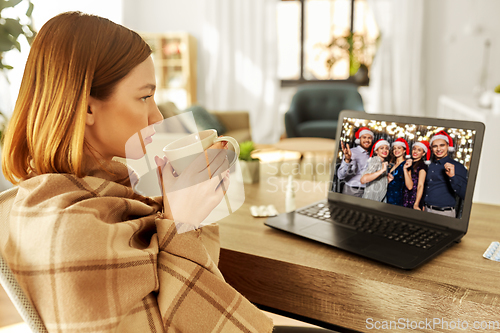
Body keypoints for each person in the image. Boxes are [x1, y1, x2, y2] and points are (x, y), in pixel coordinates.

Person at [0, 12, 273, 333]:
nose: (157, 116)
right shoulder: (72, 230)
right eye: (144, 96)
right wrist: (180, 222)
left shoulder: (89, 193)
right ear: (87, 107)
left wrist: (177, 211)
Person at [423, 130, 468, 217]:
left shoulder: (457, 166)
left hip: (444, 213)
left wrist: (453, 177)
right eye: (435, 146)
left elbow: (464, 194)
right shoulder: (430, 166)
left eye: (442, 145)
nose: (438, 149)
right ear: (431, 149)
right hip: (426, 210)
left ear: (448, 146)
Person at [337, 126, 374, 197]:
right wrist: (347, 160)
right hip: (352, 190)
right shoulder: (351, 152)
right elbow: (340, 176)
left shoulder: (371, 155)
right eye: (364, 137)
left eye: (369, 138)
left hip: (367, 191)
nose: (367, 140)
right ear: (359, 139)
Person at [402, 140, 429, 210]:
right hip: (405, 196)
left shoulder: (422, 166)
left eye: (419, 150)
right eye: (414, 149)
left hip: (414, 199)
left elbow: (421, 185)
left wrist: (416, 203)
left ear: (423, 153)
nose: (415, 151)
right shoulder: (409, 163)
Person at [386, 138, 410, 206]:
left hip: (397, 199)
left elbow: (410, 186)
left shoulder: (406, 164)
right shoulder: (390, 164)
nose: (396, 150)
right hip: (386, 197)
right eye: (394, 148)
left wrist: (405, 169)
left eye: (399, 148)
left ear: (404, 150)